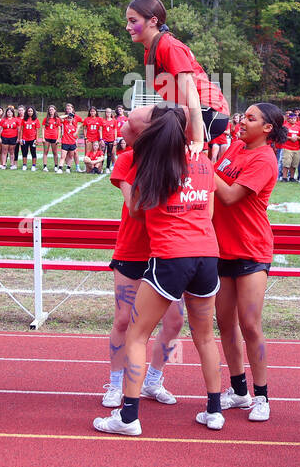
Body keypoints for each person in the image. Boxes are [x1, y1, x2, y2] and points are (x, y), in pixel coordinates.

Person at [93, 106, 224, 436]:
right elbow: (207, 212)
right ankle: (214, 411)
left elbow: (137, 211)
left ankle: (128, 417)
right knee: (206, 336)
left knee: (137, 333)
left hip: (168, 255)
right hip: (206, 254)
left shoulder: (155, 163)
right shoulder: (202, 160)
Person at [101, 106, 183, 411]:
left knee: (174, 322)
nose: (125, 129)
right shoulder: (127, 160)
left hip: (165, 252)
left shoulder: (174, 160)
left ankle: (153, 379)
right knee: (124, 319)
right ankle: (115, 381)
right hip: (132, 250)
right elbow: (135, 206)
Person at [214, 103, 285, 423]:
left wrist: (202, 162)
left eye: (251, 118)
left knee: (250, 325)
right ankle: (239, 390)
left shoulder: (264, 159)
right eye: (244, 116)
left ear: (267, 128)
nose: (243, 121)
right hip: (221, 248)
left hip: (251, 250)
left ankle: (262, 396)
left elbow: (228, 195)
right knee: (225, 324)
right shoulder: (237, 146)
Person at [125, 0, 229, 147]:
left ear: (153, 21)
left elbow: (192, 94)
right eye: (128, 21)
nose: (128, 27)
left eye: (133, 21)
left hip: (210, 112)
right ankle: (151, 168)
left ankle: (171, 164)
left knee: (136, 118)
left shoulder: (169, 46)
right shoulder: (150, 50)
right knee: (126, 130)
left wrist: (198, 141)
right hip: (189, 111)